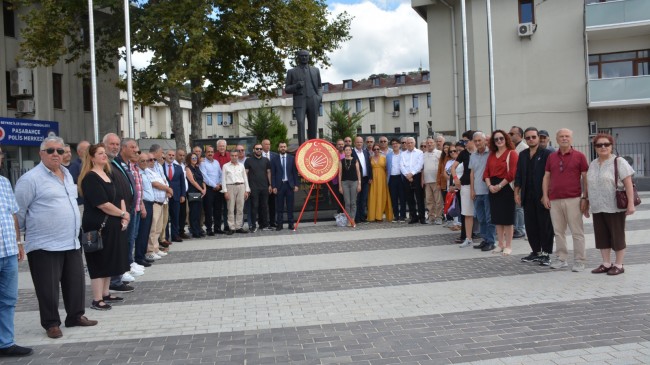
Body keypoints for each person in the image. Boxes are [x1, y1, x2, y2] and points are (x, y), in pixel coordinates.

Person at [15, 136, 97, 339]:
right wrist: (21, 239)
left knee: (75, 282)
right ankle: (51, 323)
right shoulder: (30, 179)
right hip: (44, 243)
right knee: (47, 288)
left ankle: (75, 316)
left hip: (70, 240)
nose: (55, 154)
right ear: (41, 153)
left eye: (60, 151)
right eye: (50, 150)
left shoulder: (68, 174)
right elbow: (18, 213)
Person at [78, 143, 131, 311]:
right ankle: (97, 298)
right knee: (98, 262)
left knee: (110, 259)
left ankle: (106, 293)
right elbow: (102, 204)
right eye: (100, 153)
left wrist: (124, 216)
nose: (104, 155)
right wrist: (122, 214)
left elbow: (120, 196)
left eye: (104, 153)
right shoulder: (90, 177)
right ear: (92, 157)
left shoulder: (108, 174)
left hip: (114, 223)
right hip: (98, 225)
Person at [587, 133, 636, 276]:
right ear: (595, 147)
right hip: (597, 206)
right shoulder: (593, 164)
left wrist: (631, 204)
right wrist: (587, 202)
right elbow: (589, 184)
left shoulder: (619, 162)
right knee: (602, 236)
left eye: (606, 144)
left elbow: (628, 184)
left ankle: (619, 264)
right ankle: (606, 263)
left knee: (617, 235)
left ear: (611, 146)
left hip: (614, 206)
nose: (603, 147)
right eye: (599, 145)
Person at [0, 144, 32, 357]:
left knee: (8, 299)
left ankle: (5, 342)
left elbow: (13, 214)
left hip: (8, 250)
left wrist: (19, 243)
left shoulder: (3, 182)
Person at [542, 128, 589, 272]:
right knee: (558, 232)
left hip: (574, 199)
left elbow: (586, 178)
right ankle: (562, 258)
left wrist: (585, 197)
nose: (564, 138)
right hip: (555, 199)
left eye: (567, 136)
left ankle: (579, 260)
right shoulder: (551, 157)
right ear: (556, 139)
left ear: (571, 139)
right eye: (561, 136)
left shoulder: (580, 156)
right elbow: (546, 177)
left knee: (577, 232)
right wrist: (545, 195)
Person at [515, 128, 554, 266]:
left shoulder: (547, 154)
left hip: (542, 196)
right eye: (528, 138)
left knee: (545, 225)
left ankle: (546, 253)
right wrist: (517, 193)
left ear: (538, 138)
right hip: (527, 195)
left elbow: (550, 176)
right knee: (531, 225)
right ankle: (536, 252)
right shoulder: (523, 154)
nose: (531, 139)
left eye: (533, 137)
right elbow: (518, 174)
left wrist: (546, 195)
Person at [105, 134, 138, 289]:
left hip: (124, 210)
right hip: (114, 213)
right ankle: (114, 281)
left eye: (117, 144)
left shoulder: (115, 163)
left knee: (124, 244)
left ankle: (118, 276)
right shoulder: (108, 164)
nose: (115, 147)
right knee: (116, 248)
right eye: (112, 144)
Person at [483, 130, 518, 255]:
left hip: (506, 187)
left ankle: (508, 245)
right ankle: (500, 244)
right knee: (497, 218)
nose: (499, 141)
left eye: (501, 138)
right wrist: (490, 186)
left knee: (507, 219)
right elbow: (486, 172)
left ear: (506, 139)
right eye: (496, 139)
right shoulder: (492, 154)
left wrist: (499, 186)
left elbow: (512, 173)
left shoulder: (512, 153)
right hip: (492, 187)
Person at [285, 50, 322, 145]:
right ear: (298, 57)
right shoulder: (292, 72)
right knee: (300, 123)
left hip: (313, 99)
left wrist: (319, 97)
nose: (304, 58)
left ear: (309, 57)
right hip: (300, 100)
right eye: (302, 56)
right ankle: (302, 146)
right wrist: (296, 86)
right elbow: (287, 89)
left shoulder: (315, 70)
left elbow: (319, 86)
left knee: (313, 124)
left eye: (306, 56)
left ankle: (313, 145)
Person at [451, 131, 475, 245]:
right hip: (465, 185)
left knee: (483, 213)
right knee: (466, 212)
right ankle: (467, 237)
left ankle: (488, 238)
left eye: (465, 141)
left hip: (480, 185)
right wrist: (455, 179)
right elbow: (453, 167)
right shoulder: (464, 153)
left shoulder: (481, 152)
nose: (464, 143)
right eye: (462, 141)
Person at [245, 143, 272, 232]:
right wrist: (247, 187)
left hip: (264, 187)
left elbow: (268, 173)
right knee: (254, 207)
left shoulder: (266, 160)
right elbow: (246, 174)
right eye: (257, 149)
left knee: (264, 207)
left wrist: (270, 185)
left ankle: (264, 225)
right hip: (253, 188)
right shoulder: (248, 160)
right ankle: (253, 225)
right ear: (253, 150)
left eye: (260, 149)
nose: (259, 150)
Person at [272, 142, 299, 230]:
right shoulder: (274, 159)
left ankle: (291, 224)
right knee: (279, 206)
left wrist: (296, 184)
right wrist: (274, 186)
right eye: (281, 147)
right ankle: (279, 224)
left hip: (289, 185)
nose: (283, 148)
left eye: (284, 147)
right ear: (278, 148)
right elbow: (273, 174)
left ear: (286, 148)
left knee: (290, 206)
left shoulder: (292, 158)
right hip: (279, 186)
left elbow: (295, 173)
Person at [222, 149, 250, 234]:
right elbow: (223, 179)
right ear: (230, 156)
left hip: (241, 186)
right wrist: (225, 191)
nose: (234, 157)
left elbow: (245, 178)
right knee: (230, 208)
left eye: (236, 156)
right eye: (232, 155)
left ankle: (238, 226)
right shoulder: (225, 166)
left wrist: (247, 190)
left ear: (238, 156)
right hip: (230, 187)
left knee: (240, 208)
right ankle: (231, 227)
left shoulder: (241, 165)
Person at [134, 152, 154, 268]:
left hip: (150, 202)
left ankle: (143, 254)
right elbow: (139, 191)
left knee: (146, 231)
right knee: (142, 232)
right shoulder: (138, 173)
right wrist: (142, 206)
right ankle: (139, 257)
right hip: (144, 203)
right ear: (137, 161)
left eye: (147, 160)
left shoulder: (146, 172)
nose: (145, 163)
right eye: (143, 161)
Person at [164, 150, 187, 242]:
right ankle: (165, 237)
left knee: (175, 217)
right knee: (165, 217)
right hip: (164, 195)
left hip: (177, 195)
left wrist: (183, 195)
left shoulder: (178, 167)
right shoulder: (160, 167)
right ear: (165, 155)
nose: (171, 156)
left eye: (173, 155)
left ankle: (175, 235)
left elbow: (182, 182)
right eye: (169, 155)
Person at [509, 126, 528, 239]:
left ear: (520, 135)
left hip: (519, 181)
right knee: (515, 207)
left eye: (512, 134)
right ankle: (517, 227)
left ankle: (520, 229)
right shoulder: (512, 147)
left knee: (519, 207)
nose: (510, 136)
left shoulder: (523, 148)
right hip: (512, 181)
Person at [367, 144, 393, 222]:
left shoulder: (384, 158)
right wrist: (369, 178)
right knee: (373, 196)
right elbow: (368, 169)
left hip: (382, 179)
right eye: (374, 149)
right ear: (372, 150)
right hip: (373, 179)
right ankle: (372, 216)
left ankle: (379, 216)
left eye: (378, 149)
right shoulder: (370, 158)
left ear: (380, 150)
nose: (376, 151)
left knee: (382, 196)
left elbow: (388, 169)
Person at [185, 152, 206, 238]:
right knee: (194, 212)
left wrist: (204, 189)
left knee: (198, 212)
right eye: (192, 158)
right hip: (193, 192)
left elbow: (202, 179)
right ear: (189, 159)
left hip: (200, 192)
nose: (194, 159)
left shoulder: (197, 168)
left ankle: (198, 229)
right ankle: (194, 231)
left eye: (195, 158)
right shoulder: (188, 168)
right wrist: (201, 190)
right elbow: (192, 181)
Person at [339, 145, 361, 226]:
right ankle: (348, 219)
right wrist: (340, 186)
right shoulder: (341, 161)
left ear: (351, 151)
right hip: (344, 183)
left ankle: (353, 219)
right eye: (346, 150)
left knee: (353, 202)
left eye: (349, 150)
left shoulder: (355, 160)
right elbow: (340, 174)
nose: (348, 151)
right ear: (344, 151)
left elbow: (358, 172)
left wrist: (359, 184)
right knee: (347, 202)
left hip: (354, 182)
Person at [422, 137, 442, 224]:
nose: (429, 144)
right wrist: (422, 179)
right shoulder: (423, 154)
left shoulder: (439, 153)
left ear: (434, 143)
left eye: (431, 143)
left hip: (436, 180)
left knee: (438, 200)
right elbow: (422, 168)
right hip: (427, 181)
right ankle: (431, 217)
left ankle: (439, 217)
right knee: (429, 200)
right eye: (428, 143)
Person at [352, 136, 372, 223]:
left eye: (360, 142)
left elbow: (369, 165)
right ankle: (357, 218)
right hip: (356, 180)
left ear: (362, 143)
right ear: (354, 143)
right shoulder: (352, 153)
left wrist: (370, 177)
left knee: (364, 199)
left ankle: (362, 217)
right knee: (357, 199)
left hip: (366, 179)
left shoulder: (365, 152)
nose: (359, 144)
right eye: (357, 142)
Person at [386, 138, 406, 222]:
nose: (395, 145)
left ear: (399, 145)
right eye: (393, 143)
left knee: (402, 198)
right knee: (393, 198)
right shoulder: (389, 155)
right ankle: (396, 215)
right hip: (392, 178)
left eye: (396, 143)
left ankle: (402, 216)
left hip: (401, 178)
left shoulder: (404, 154)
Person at [215, 140, 231, 232]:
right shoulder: (214, 156)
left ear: (226, 147)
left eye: (223, 146)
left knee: (227, 207)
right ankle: (217, 227)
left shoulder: (230, 156)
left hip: (227, 186)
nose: (222, 147)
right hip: (217, 186)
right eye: (220, 146)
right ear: (217, 147)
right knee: (217, 208)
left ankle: (227, 225)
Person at [261, 139, 277, 228]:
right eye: (266, 144)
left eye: (269, 144)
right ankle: (263, 223)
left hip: (273, 183)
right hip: (262, 184)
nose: (268, 146)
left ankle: (272, 222)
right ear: (262, 145)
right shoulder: (258, 155)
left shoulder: (275, 155)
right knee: (263, 205)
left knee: (272, 204)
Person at [437, 142, 453, 226]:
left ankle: (452, 219)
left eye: (447, 147)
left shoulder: (452, 158)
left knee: (451, 201)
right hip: (443, 183)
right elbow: (439, 170)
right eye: (444, 148)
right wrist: (438, 182)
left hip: (451, 183)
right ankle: (448, 219)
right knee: (446, 202)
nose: (446, 149)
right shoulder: (442, 157)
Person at [175, 148, 190, 239]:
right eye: (180, 155)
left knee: (183, 213)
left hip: (184, 192)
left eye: (183, 155)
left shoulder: (183, 165)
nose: (182, 157)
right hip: (178, 193)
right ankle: (177, 232)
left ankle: (181, 230)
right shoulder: (174, 165)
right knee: (178, 213)